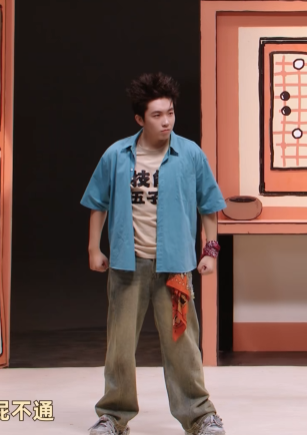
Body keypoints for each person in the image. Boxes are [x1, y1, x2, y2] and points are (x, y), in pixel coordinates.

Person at [81, 72, 227, 434]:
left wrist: (210, 251)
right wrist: (94, 248)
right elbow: (97, 202)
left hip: (175, 268)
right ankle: (113, 416)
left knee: (183, 344)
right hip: (127, 266)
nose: (166, 121)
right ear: (139, 119)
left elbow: (209, 206)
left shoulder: (189, 154)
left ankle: (199, 415)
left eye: (170, 113)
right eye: (157, 115)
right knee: (120, 346)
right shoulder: (117, 155)